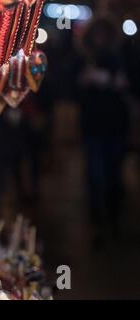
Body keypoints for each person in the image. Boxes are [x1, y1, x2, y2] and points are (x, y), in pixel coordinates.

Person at [76, 17, 129, 247]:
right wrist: (84, 82)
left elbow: (132, 84)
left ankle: (114, 219)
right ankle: (98, 223)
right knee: (95, 177)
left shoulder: (122, 57)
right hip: (92, 127)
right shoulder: (82, 58)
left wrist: (118, 83)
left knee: (114, 176)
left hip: (116, 126)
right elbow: (70, 89)